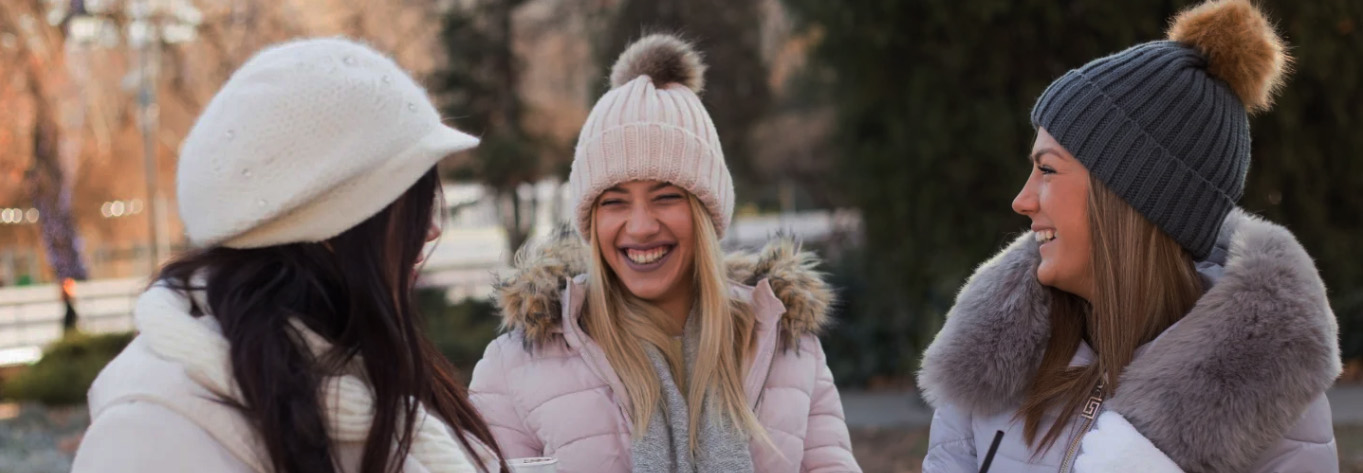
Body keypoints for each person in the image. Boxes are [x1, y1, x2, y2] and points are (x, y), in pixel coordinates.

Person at [918, 1, 1342, 472]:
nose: (1022, 200)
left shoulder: (1270, 394)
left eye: (1047, 170)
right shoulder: (990, 362)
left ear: (1130, 199)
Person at [72, 38, 506, 473]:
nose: (430, 229)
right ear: (332, 225)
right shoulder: (153, 433)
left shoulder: (360, 370)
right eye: (410, 202)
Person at [467, 34, 861, 472]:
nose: (640, 226)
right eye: (614, 202)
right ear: (590, 221)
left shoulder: (790, 350)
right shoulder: (513, 368)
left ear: (706, 213)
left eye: (667, 197)